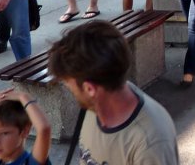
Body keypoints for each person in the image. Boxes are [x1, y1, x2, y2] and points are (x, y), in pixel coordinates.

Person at [48, 20, 179, 165]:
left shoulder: (151, 143)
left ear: (90, 89)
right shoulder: (95, 104)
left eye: (68, 83)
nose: (69, 89)